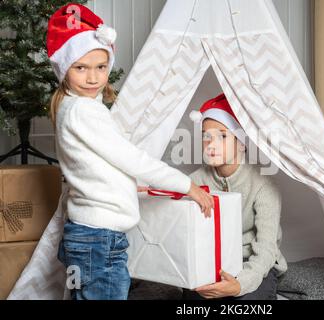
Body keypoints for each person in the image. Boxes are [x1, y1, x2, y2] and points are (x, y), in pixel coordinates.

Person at [46, 3, 213, 300]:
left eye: (100, 67)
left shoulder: (74, 107)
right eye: (80, 67)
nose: (93, 77)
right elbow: (131, 158)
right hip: (99, 237)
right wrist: (186, 185)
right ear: (63, 69)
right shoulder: (85, 111)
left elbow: (98, 166)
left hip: (87, 234)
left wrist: (131, 186)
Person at [183, 93, 287, 300]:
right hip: (211, 265)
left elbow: (266, 249)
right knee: (194, 300)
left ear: (241, 143)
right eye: (206, 136)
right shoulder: (192, 181)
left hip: (255, 265)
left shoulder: (264, 186)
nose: (211, 144)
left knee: (247, 300)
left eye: (222, 135)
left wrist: (240, 285)